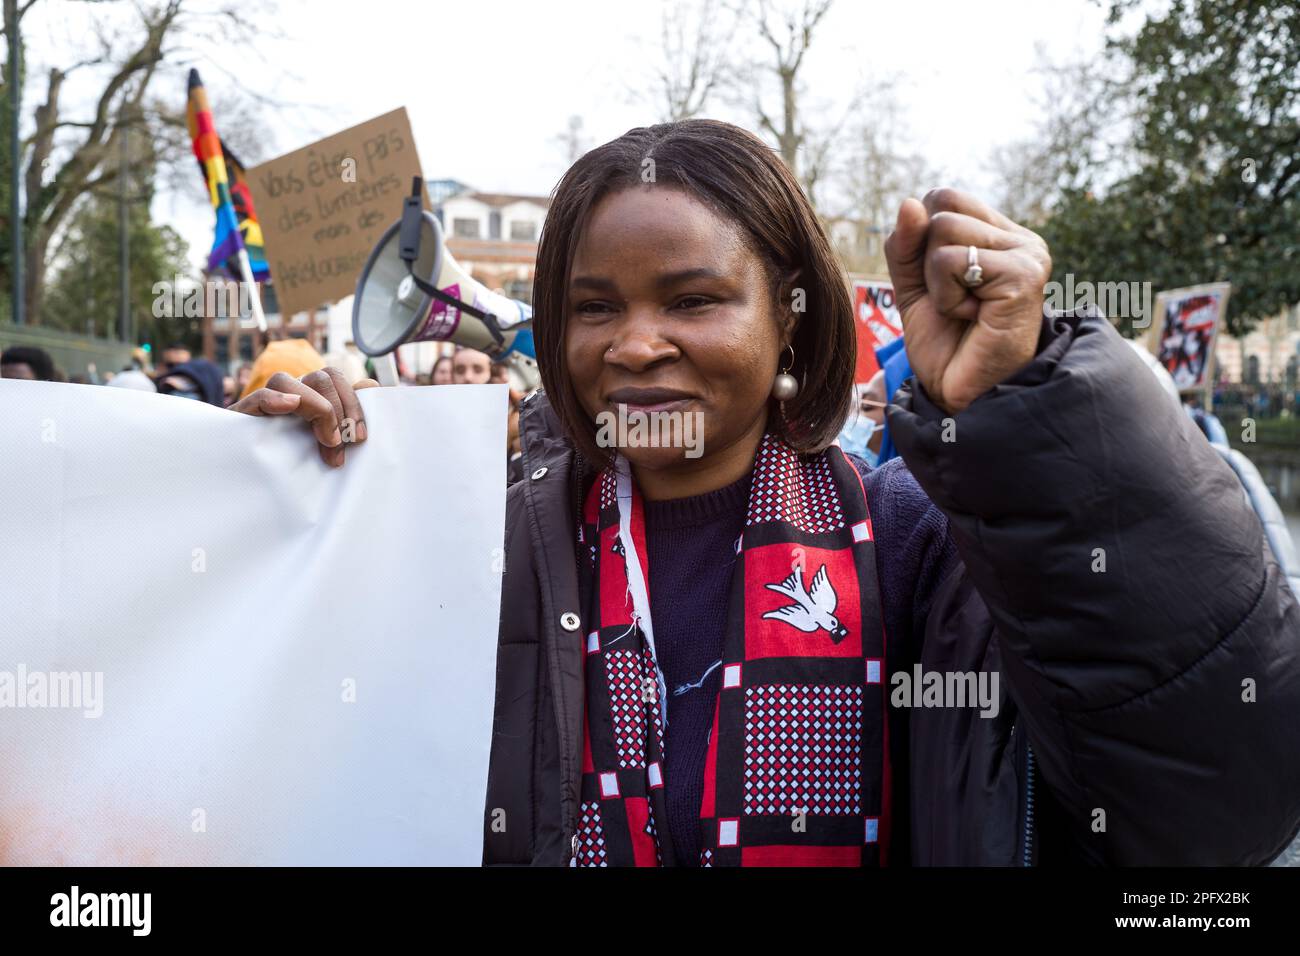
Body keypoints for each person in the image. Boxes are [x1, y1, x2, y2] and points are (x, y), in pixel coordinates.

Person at [232, 119, 1300, 866]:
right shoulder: (469, 542)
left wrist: (1035, 416)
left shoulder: (917, 542)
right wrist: (271, 499)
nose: (637, 342)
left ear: (789, 314)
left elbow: (1213, 811)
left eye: (693, 298)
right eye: (593, 306)